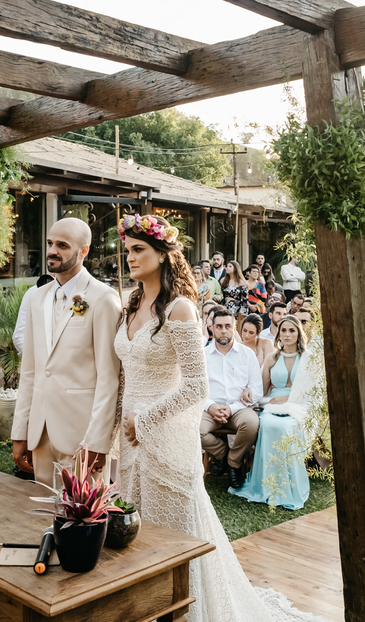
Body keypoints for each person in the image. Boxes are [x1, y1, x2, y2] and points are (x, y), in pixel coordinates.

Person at [114, 216, 323, 622]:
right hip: (130, 436)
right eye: (128, 251)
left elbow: (196, 385)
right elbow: (125, 377)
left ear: (162, 254)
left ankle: (192, 610)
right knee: (138, 530)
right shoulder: (131, 306)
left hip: (166, 433)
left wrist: (145, 420)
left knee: (174, 532)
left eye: (138, 250)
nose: (130, 258)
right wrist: (118, 429)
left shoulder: (179, 309)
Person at [11, 217, 121, 486]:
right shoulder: (37, 298)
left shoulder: (103, 298)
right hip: (40, 433)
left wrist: (98, 441)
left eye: (62, 245)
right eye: (50, 243)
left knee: (82, 511)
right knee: (40, 508)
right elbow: (30, 371)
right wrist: (20, 432)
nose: (52, 251)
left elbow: (109, 378)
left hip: (82, 436)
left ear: (83, 251)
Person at [231, 316, 315, 509]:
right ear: (278, 334)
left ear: (299, 333)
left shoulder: (308, 358)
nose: (287, 334)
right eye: (283, 330)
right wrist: (250, 393)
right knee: (268, 425)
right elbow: (261, 390)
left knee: (286, 427)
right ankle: (266, 486)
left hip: (298, 404)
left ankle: (288, 487)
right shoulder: (272, 358)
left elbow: (312, 390)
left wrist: (289, 398)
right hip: (272, 403)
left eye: (292, 330)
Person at [200, 307, 262, 489]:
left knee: (251, 424)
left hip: (238, 408)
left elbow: (257, 389)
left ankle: (233, 462)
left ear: (234, 328)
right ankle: (222, 453)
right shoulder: (202, 356)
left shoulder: (247, 354)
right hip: (210, 410)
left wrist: (232, 408)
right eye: (219, 326)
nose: (223, 330)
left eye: (228, 326)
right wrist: (210, 406)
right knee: (192, 428)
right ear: (212, 328)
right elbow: (195, 389)